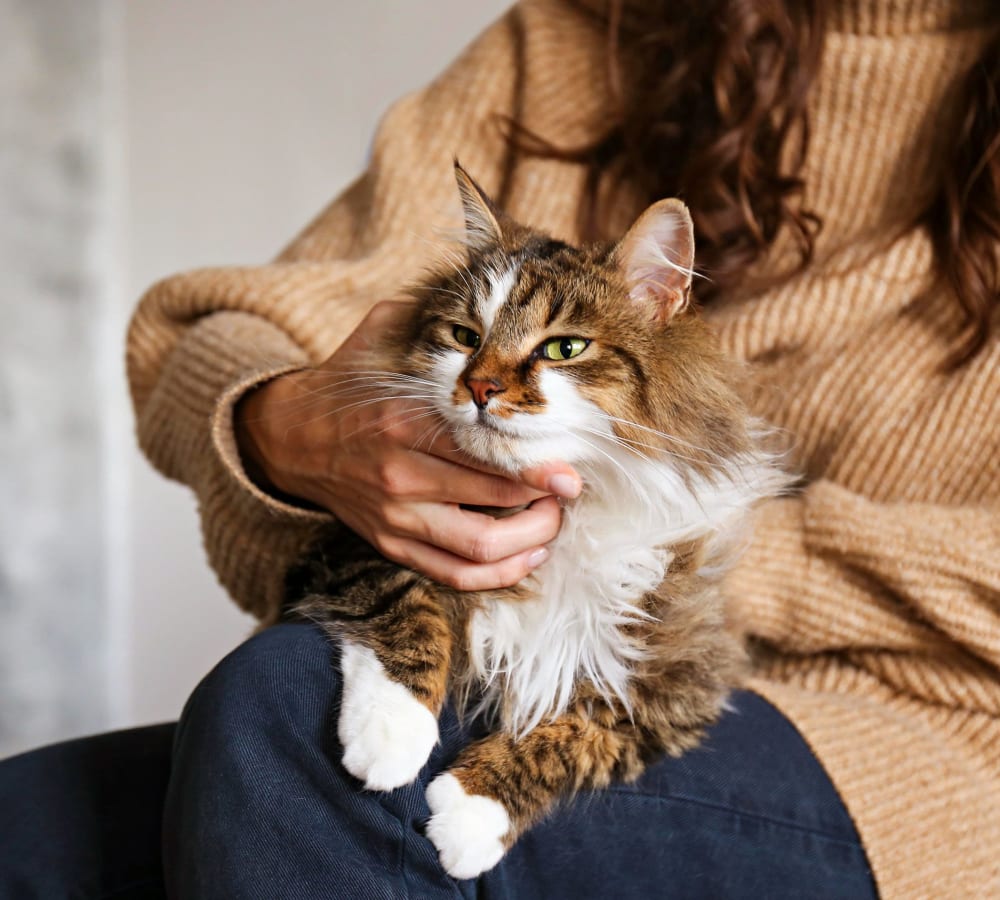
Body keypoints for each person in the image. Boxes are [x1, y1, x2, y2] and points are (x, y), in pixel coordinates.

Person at [3, 0, 999, 896]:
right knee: (28, 829)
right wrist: (292, 423)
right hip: (518, 657)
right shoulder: (581, 37)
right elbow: (202, 330)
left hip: (927, 752)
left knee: (286, 707)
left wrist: (691, 539)